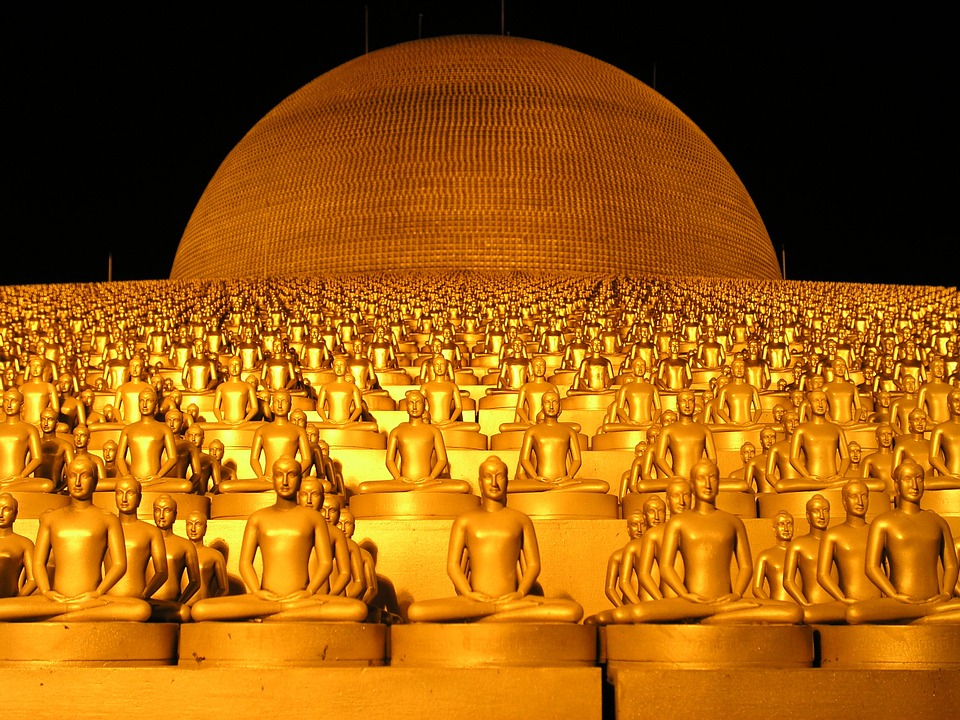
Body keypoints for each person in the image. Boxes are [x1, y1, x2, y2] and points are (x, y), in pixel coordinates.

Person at [597, 460, 802, 624]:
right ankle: (716, 613)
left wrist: (737, 594)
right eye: (701, 478)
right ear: (693, 485)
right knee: (635, 613)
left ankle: (712, 614)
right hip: (690, 601)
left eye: (713, 478)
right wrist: (684, 594)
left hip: (728, 598)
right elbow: (666, 567)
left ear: (719, 483)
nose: (708, 484)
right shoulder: (678, 523)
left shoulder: (733, 522)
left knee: (793, 612)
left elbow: (746, 566)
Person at [405, 455, 583, 623]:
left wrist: (520, 593)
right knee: (416, 611)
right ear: (480, 482)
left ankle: (487, 614)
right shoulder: (464, 521)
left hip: (513, 599)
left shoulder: (521, 520)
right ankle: (500, 611)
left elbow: (533, 565)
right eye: (488, 477)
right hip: (474, 601)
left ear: (507, 481)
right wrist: (468, 593)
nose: (494, 482)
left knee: (573, 610)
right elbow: (453, 566)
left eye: (500, 476)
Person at [190, 457, 368, 622]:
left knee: (358, 609)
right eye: (279, 475)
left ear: (299, 480)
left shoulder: (314, 518)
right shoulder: (258, 518)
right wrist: (256, 591)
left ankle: (273, 614)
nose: (285, 481)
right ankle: (284, 611)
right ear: (272, 479)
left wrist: (309, 591)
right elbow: (245, 563)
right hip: (265, 597)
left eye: (291, 475)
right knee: (200, 609)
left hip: (302, 597)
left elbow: (326, 563)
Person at [0, 455, 152, 621]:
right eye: (72, 476)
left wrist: (98, 592)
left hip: (93, 599)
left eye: (84, 476)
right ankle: (73, 611)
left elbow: (119, 564)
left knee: (141, 609)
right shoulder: (51, 519)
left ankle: (56, 615)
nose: (77, 482)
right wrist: (46, 591)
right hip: (55, 599)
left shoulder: (108, 519)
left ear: (95, 482)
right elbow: (38, 563)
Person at [846, 460, 960, 624]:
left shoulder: (938, 522)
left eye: (919, 478)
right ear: (897, 485)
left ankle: (923, 615)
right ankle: (927, 615)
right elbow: (871, 567)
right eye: (907, 479)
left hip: (936, 600)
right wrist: (893, 594)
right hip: (900, 602)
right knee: (854, 613)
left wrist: (946, 594)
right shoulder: (883, 522)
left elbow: (951, 566)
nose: (914, 485)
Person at [356, 390, 470, 494]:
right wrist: (398, 478)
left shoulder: (433, 431)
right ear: (406, 406)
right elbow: (389, 460)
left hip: (428, 482)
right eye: (411, 403)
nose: (414, 406)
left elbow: (442, 460)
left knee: (463, 486)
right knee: (363, 487)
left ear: (424, 405)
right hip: (403, 483)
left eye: (418, 402)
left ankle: (415, 487)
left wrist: (431, 477)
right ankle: (416, 487)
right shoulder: (397, 431)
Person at [808, 479, 883, 623]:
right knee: (808, 615)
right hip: (846, 602)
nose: (860, 501)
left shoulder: (877, 531)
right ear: (844, 502)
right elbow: (822, 575)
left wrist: (890, 594)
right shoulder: (832, 535)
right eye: (854, 496)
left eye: (864, 496)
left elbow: (888, 567)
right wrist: (842, 598)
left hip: (876, 602)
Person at [511, 390, 609, 493]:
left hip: (564, 481)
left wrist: (569, 476)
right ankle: (555, 488)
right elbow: (524, 459)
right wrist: (535, 477)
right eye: (547, 402)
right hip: (540, 482)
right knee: (509, 486)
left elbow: (577, 460)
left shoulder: (569, 431)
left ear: (560, 406)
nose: (551, 406)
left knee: (603, 486)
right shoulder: (532, 431)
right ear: (542, 406)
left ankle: (552, 488)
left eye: (555, 402)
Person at [105, 477, 170, 607]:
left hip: (137, 600)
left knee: (182, 612)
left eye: (130, 493)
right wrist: (98, 592)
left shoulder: (151, 531)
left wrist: (144, 595)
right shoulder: (105, 528)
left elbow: (162, 572)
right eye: (120, 493)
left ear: (139, 498)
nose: (124, 499)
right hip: (106, 598)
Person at [114, 388, 193, 493]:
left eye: (149, 401)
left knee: (186, 485)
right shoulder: (128, 429)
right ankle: (136, 487)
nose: (144, 404)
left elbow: (172, 458)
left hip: (155, 481)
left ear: (156, 405)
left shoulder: (164, 428)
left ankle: (139, 487)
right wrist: (127, 476)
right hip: (131, 480)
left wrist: (158, 475)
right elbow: (119, 458)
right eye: (142, 400)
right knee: (98, 484)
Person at [779, 389, 850, 491]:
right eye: (816, 401)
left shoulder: (836, 429)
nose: (820, 404)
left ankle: (828, 484)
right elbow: (793, 458)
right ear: (809, 405)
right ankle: (827, 485)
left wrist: (840, 475)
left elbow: (846, 457)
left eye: (823, 400)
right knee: (780, 485)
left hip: (834, 478)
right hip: (811, 481)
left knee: (863, 482)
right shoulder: (801, 429)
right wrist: (807, 475)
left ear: (827, 405)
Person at [782, 494, 835, 621]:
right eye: (816, 511)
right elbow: (788, 581)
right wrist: (804, 603)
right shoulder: (798, 545)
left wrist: (842, 599)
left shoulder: (837, 541)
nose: (821, 516)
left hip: (837, 604)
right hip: (812, 602)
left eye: (825, 511)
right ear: (808, 516)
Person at [148, 494, 201, 621]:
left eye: (167, 510)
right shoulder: (144, 541)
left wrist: (180, 602)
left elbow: (195, 581)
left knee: (183, 613)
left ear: (175, 515)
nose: (161, 515)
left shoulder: (185, 545)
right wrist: (142, 596)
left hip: (171, 603)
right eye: (157, 510)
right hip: (145, 601)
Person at [651, 388, 718, 482]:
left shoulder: (704, 430)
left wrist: (703, 473)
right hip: (677, 479)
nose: (687, 405)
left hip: (699, 481)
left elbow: (713, 459)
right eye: (683, 401)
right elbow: (659, 458)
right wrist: (672, 476)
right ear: (677, 405)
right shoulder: (667, 430)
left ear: (694, 404)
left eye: (690, 401)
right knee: (643, 486)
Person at [600, 357, 662, 431]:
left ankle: (642, 427)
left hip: (649, 422)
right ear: (632, 369)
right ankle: (642, 428)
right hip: (632, 423)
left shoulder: (652, 387)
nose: (640, 368)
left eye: (642, 365)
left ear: (645, 369)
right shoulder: (626, 387)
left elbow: (659, 408)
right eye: (637, 365)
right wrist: (628, 420)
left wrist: (654, 421)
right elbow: (620, 408)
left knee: (663, 426)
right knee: (606, 427)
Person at [602, 508, 646, 609]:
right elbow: (609, 589)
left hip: (650, 605)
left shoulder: (653, 554)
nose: (639, 529)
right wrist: (621, 608)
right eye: (634, 525)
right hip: (629, 606)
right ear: (628, 529)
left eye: (643, 524)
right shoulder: (617, 556)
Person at [184, 510, 229, 604]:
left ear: (205, 528)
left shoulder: (215, 556)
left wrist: (211, 604)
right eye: (189, 524)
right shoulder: (179, 553)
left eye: (198, 524)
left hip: (203, 604)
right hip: (180, 605)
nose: (193, 529)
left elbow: (223, 589)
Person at [751, 510, 794, 601]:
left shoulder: (800, 554)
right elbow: (756, 588)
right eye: (781, 524)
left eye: (789, 524)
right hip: (778, 604)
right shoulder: (765, 556)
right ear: (774, 529)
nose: (786, 529)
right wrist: (771, 604)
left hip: (801, 605)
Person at [0, 492, 37, 598]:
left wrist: (19, 598)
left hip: (9, 600)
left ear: (15, 514)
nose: (1, 514)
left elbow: (33, 579)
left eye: (6, 509)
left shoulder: (25, 543)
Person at [315, 356, 366, 427]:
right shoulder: (325, 387)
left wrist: (350, 420)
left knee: (373, 426)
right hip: (331, 423)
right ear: (333, 368)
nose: (339, 368)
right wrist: (325, 419)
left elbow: (359, 408)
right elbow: (319, 407)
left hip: (347, 424)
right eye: (337, 365)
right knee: (311, 426)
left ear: (346, 368)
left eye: (341, 365)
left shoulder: (353, 387)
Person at [713, 357, 763, 426]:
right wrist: (729, 422)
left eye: (741, 366)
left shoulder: (752, 388)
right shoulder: (725, 389)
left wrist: (754, 421)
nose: (739, 369)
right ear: (732, 370)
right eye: (736, 366)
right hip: (733, 424)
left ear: (745, 370)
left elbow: (759, 409)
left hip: (749, 425)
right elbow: (720, 410)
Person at [212, 355, 259, 425]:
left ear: (241, 367)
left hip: (242, 424)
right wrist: (220, 419)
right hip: (226, 423)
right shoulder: (221, 387)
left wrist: (245, 420)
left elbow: (255, 408)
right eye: (232, 365)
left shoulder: (248, 386)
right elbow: (216, 408)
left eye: (237, 365)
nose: (234, 367)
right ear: (228, 367)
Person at [927, 388, 960, 487]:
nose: (959, 404)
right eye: (956, 400)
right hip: (953, 473)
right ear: (949, 405)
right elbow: (933, 457)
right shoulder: (940, 429)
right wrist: (947, 474)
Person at [892, 407, 934, 474]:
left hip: (931, 480)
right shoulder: (901, 447)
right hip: (911, 479)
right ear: (910, 423)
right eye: (916, 420)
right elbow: (895, 473)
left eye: (923, 420)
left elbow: (940, 473)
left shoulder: (933, 446)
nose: (920, 423)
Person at [113, 356, 152, 423]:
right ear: (129, 368)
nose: (134, 369)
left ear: (142, 369)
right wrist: (120, 420)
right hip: (127, 424)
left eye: (137, 366)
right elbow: (115, 409)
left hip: (144, 424)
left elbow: (155, 408)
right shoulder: (121, 388)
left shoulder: (149, 388)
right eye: (132, 366)